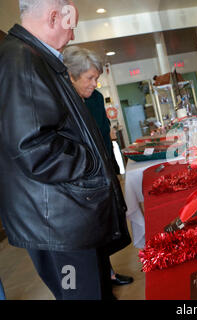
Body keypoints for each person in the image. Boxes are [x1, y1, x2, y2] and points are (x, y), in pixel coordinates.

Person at [0, 0, 131, 300]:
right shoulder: (22, 60)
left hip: (65, 218)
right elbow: (32, 147)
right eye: (70, 24)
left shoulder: (34, 58)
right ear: (53, 16)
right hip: (59, 225)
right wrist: (94, 163)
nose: (72, 35)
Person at [63, 46, 133, 287]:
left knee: (107, 224)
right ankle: (100, 279)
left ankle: (108, 272)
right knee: (90, 231)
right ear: (72, 75)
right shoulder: (63, 102)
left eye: (97, 78)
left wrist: (112, 167)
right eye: (90, 78)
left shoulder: (95, 98)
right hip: (81, 177)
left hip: (104, 168)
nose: (94, 83)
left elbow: (103, 132)